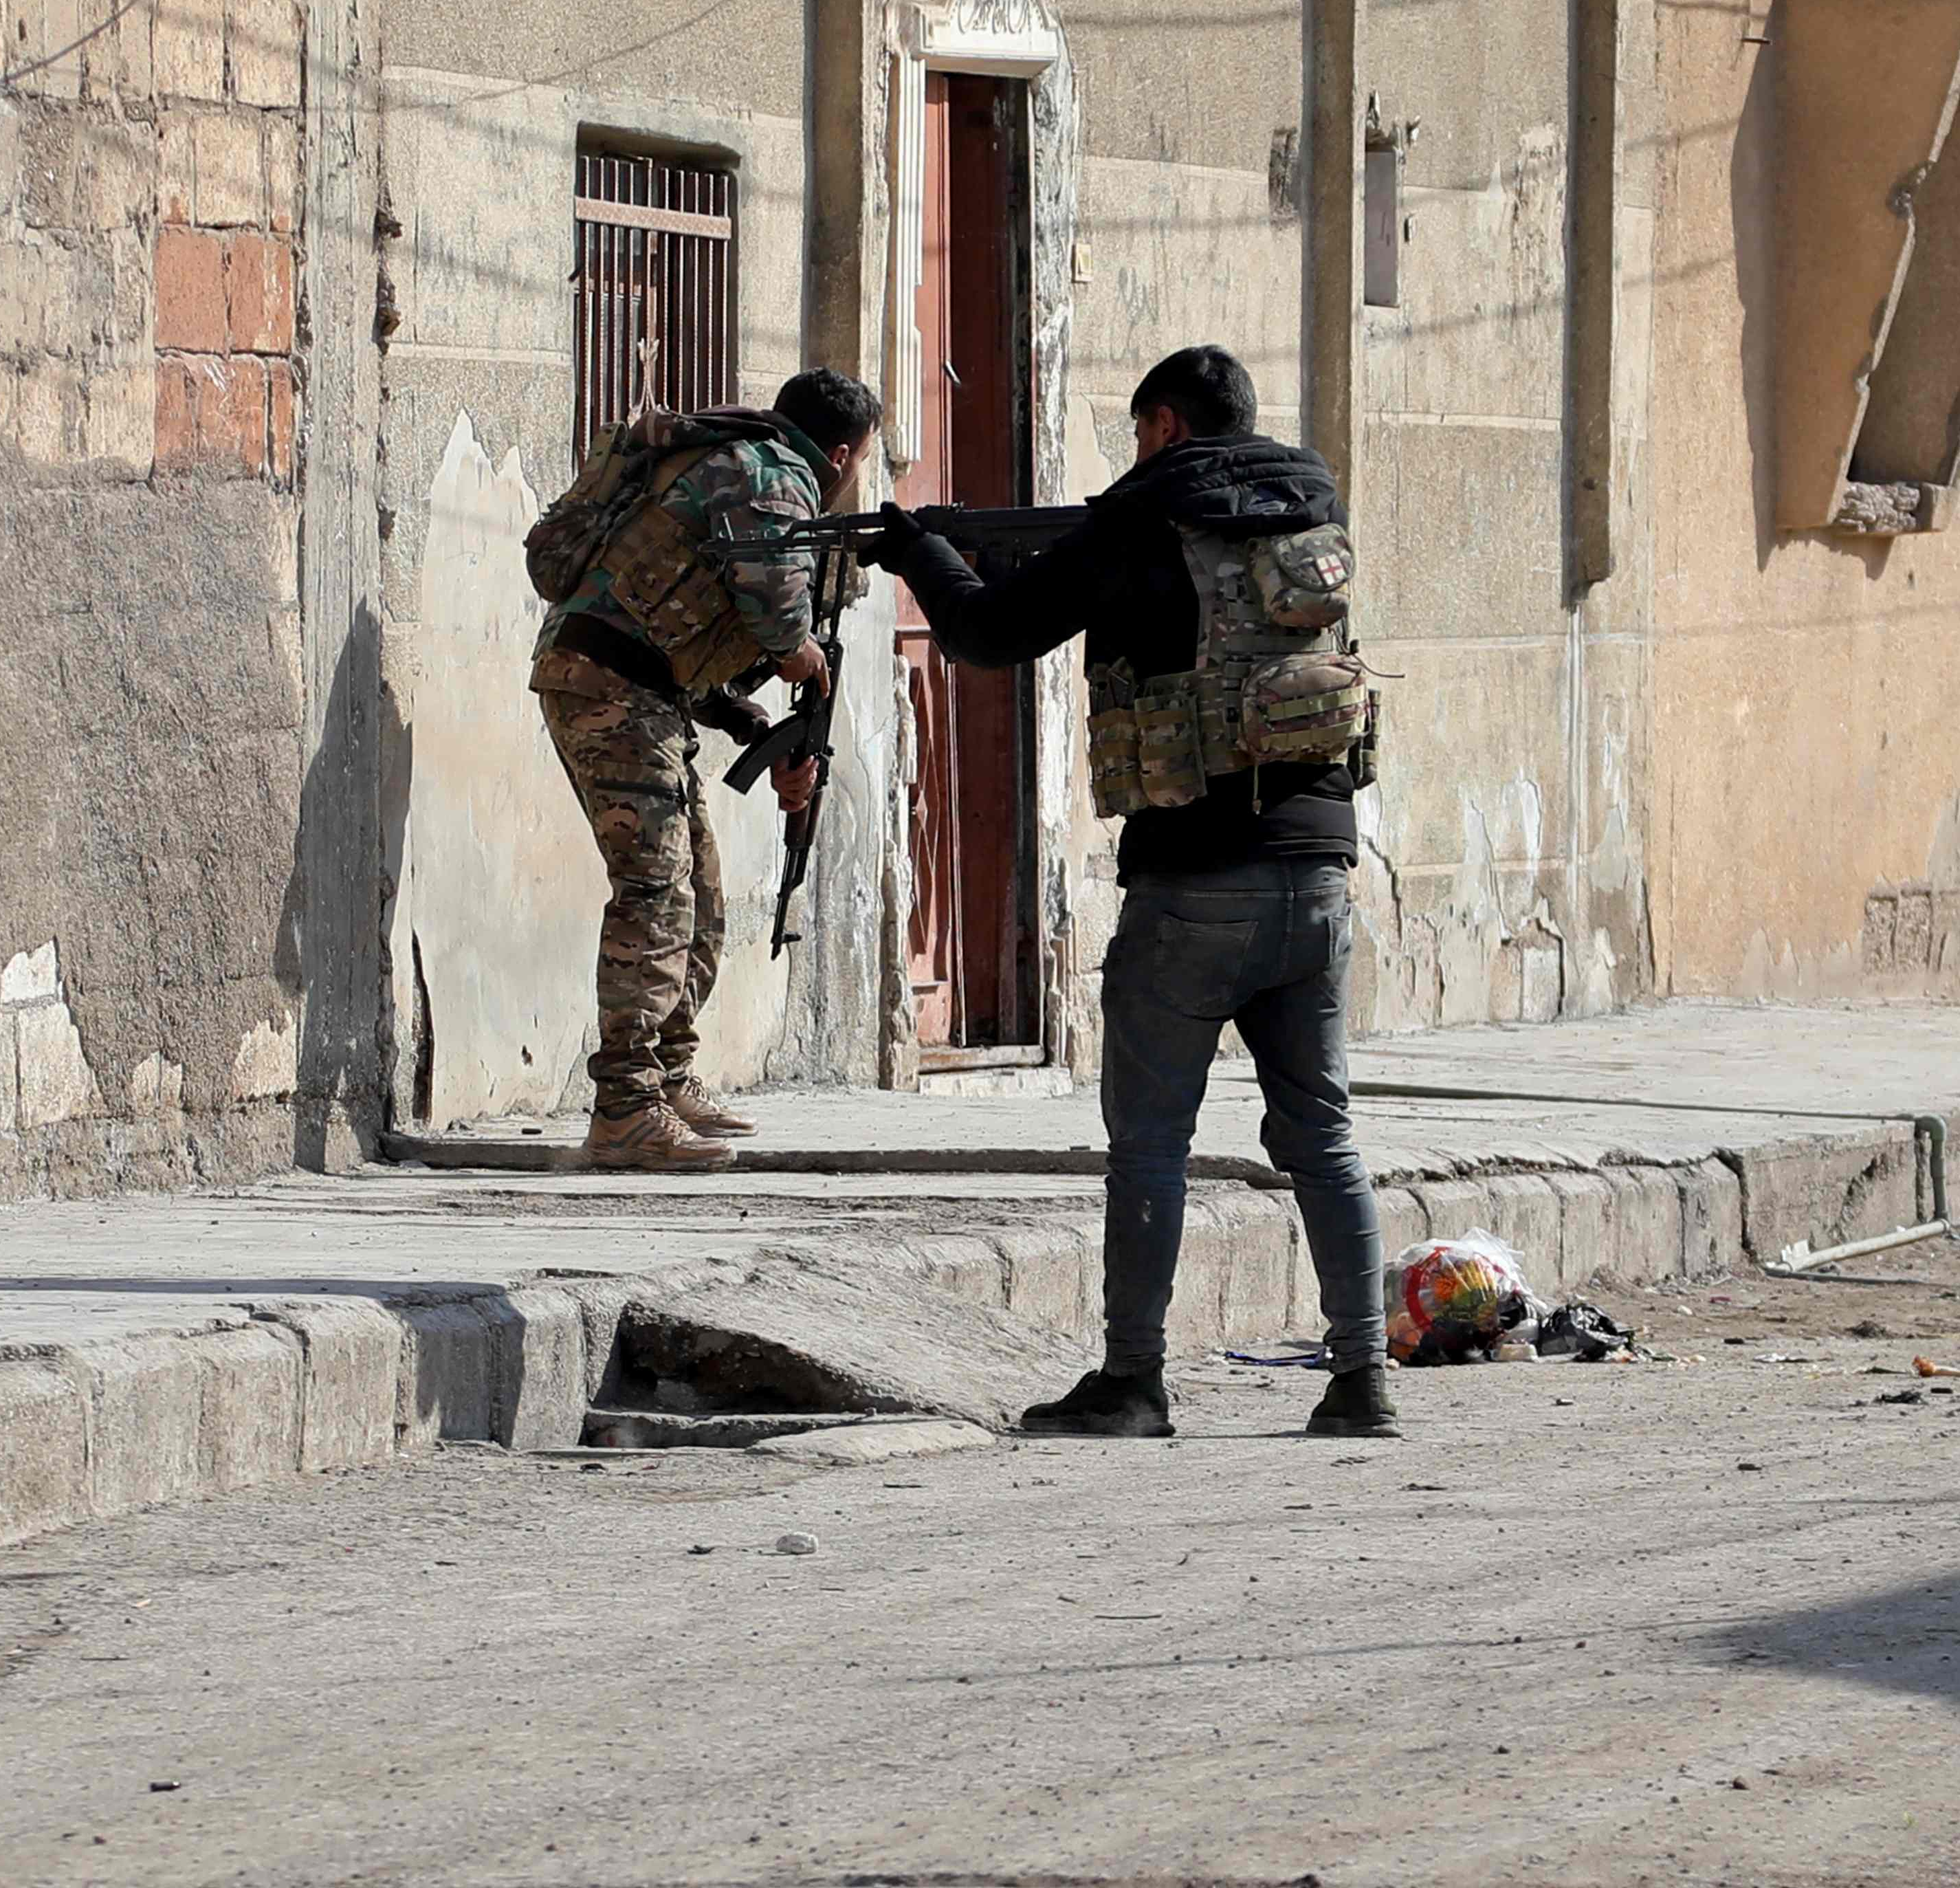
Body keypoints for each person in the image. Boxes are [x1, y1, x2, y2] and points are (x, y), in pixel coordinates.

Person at [867, 344, 1392, 1438]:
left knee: (1151, 1142)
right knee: (1325, 1137)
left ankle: (1136, 1382)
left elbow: (988, 633)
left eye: (1138, 432)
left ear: (1162, 426)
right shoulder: (1309, 515)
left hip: (1195, 882)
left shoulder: (1142, 521)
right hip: (1319, 875)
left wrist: (921, 554)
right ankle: (1363, 1379)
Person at [529, 368, 883, 1172]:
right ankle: (626, 1107)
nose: (855, 478)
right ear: (839, 453)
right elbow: (771, 603)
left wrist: (759, 720)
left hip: (640, 690)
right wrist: (800, 653)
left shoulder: (733, 462)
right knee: (656, 889)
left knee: (701, 891)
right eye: (862, 461)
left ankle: (667, 1074)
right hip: (607, 686)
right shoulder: (774, 473)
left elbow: (693, 623)